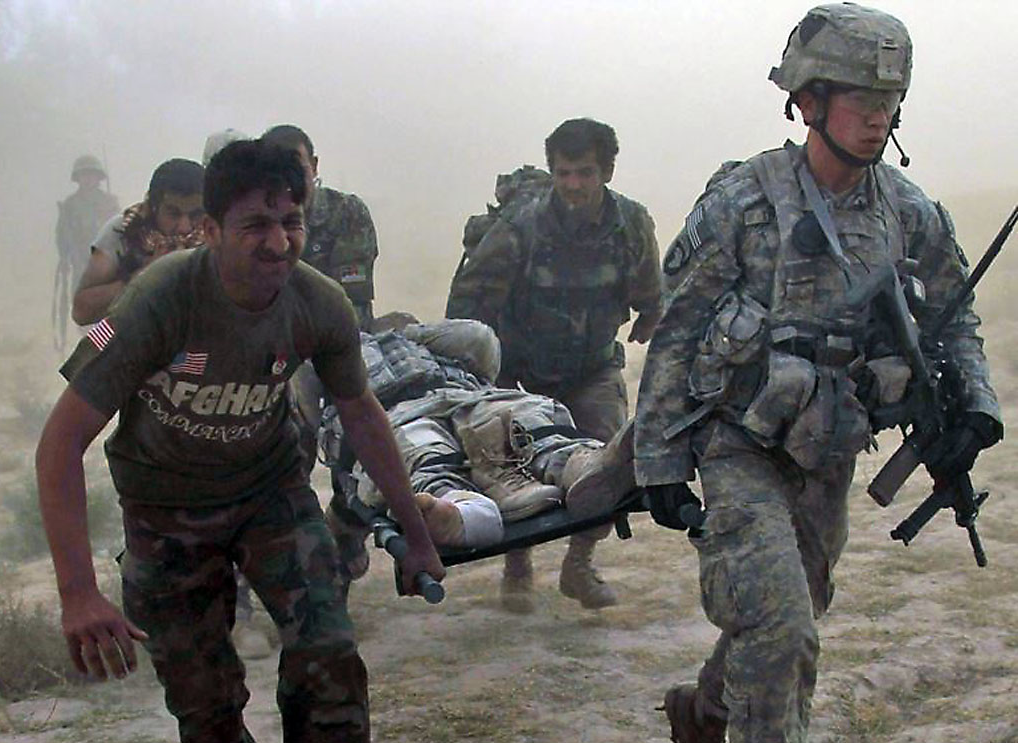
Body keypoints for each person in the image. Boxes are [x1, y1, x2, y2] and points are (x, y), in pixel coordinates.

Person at [634, 6, 1002, 741]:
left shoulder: (907, 212)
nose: (877, 119)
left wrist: (977, 410)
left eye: (889, 102)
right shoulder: (744, 202)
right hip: (738, 444)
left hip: (829, 450)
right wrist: (658, 462)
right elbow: (677, 330)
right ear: (809, 102)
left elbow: (955, 316)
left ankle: (704, 712)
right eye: (861, 101)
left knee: (792, 607)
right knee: (782, 631)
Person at [36, 139, 444, 743]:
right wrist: (78, 594)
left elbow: (361, 413)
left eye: (291, 222)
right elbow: (60, 442)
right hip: (164, 510)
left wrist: (417, 535)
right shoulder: (155, 301)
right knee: (207, 709)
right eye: (255, 225)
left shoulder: (319, 303)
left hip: (270, 493)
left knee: (330, 660)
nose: (278, 243)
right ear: (211, 230)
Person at [446, 118, 663, 613]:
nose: (573, 185)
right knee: (511, 466)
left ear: (606, 172)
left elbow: (651, 293)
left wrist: (650, 317)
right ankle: (517, 564)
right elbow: (469, 300)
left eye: (585, 173)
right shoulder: (520, 226)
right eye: (563, 173)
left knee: (611, 465)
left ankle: (579, 563)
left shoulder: (631, 223)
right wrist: (478, 374)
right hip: (520, 369)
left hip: (591, 368)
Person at [321, 318, 633, 573]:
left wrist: (408, 333)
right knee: (422, 453)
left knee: (526, 421)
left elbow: (480, 340)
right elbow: (309, 414)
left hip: (467, 395)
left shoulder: (423, 344)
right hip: (390, 414)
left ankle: (582, 467)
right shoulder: (324, 356)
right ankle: (454, 511)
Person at [260, 124, 378, 331]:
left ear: (314, 166)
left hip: (335, 335)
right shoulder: (255, 220)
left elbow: (351, 305)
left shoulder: (346, 213)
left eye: (297, 168)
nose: (289, 180)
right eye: (277, 171)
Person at [71, 158, 204, 325]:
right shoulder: (124, 230)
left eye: (195, 215)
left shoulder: (215, 236)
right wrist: (144, 276)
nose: (184, 227)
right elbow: (81, 311)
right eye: (173, 214)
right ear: (154, 207)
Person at [55, 154, 119, 347]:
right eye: (84, 175)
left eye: (92, 174)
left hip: (107, 262)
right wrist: (64, 257)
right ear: (78, 178)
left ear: (98, 177)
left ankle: (106, 343)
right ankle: (92, 344)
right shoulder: (70, 205)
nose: (88, 179)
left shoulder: (109, 202)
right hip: (80, 262)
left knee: (112, 306)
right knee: (84, 306)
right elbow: (61, 235)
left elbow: (121, 230)